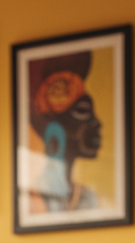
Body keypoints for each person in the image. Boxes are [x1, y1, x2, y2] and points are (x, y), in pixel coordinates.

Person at [27, 54, 102, 213]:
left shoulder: (89, 198)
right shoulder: (31, 200)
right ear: (55, 134)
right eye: (82, 111)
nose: (97, 123)